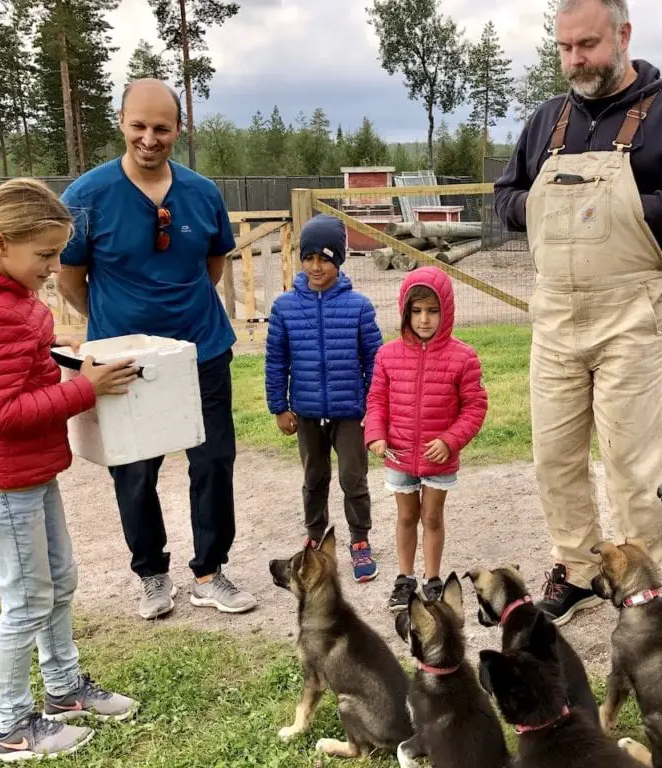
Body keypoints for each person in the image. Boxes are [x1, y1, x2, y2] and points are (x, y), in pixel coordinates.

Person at [494, 0, 662, 626]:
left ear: (624, 36)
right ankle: (577, 569)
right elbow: (505, 195)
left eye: (589, 45)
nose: (576, 60)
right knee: (555, 457)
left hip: (633, 314)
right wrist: (541, 212)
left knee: (637, 462)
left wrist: (637, 212)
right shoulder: (547, 120)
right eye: (565, 47)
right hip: (554, 317)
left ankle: (637, 581)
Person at [0, 179, 141, 761]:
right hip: (2, 477)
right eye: (44, 255)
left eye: (57, 253)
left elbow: (13, 368)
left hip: (29, 471)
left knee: (59, 581)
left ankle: (64, 692)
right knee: (25, 601)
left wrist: (48, 351)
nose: (53, 267)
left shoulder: (6, 297)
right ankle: (12, 726)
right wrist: (82, 390)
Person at [57, 78, 257, 620]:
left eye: (162, 128)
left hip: (201, 349)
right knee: (134, 469)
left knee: (213, 461)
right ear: (121, 123)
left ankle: (211, 572)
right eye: (139, 126)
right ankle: (151, 573)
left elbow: (213, 265)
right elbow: (70, 278)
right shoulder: (87, 197)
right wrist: (110, 323)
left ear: (177, 129)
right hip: (122, 359)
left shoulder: (201, 193)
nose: (150, 138)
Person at [264, 213, 384, 581]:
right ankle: (315, 538)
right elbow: (276, 360)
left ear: (339, 260)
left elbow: (376, 362)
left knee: (353, 477)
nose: (316, 266)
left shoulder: (359, 307)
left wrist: (374, 407)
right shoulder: (284, 307)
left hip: (351, 413)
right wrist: (280, 407)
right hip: (307, 413)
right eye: (309, 257)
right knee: (314, 477)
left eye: (325, 258)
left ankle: (359, 540)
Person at [364, 266, 489, 611]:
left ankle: (432, 580)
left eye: (432, 311)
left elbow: (475, 406)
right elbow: (376, 399)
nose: (424, 320)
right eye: (416, 311)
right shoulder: (387, 355)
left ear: (446, 311)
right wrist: (375, 433)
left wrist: (450, 440)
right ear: (405, 311)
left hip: (439, 457)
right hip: (399, 454)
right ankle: (405, 579)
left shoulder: (463, 357)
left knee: (432, 517)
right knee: (406, 517)